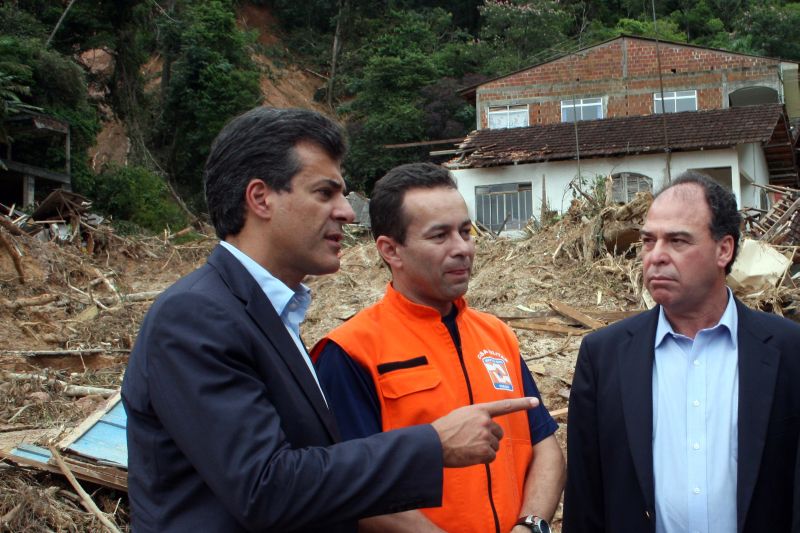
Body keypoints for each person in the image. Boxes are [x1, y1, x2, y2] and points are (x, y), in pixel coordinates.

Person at [121, 107, 540, 533]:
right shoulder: (197, 316)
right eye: (325, 193)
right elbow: (265, 488)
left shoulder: (268, 316)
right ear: (260, 198)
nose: (347, 212)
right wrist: (432, 445)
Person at [312, 162, 566, 533]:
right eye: (439, 236)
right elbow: (355, 489)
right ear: (391, 250)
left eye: (466, 231)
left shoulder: (496, 335)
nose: (462, 248)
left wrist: (530, 524)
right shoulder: (351, 351)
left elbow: (543, 444)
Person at [563, 170, 800, 532]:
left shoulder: (788, 351)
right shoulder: (604, 357)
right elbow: (585, 503)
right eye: (648, 241)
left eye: (677, 241)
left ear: (724, 249)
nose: (656, 256)